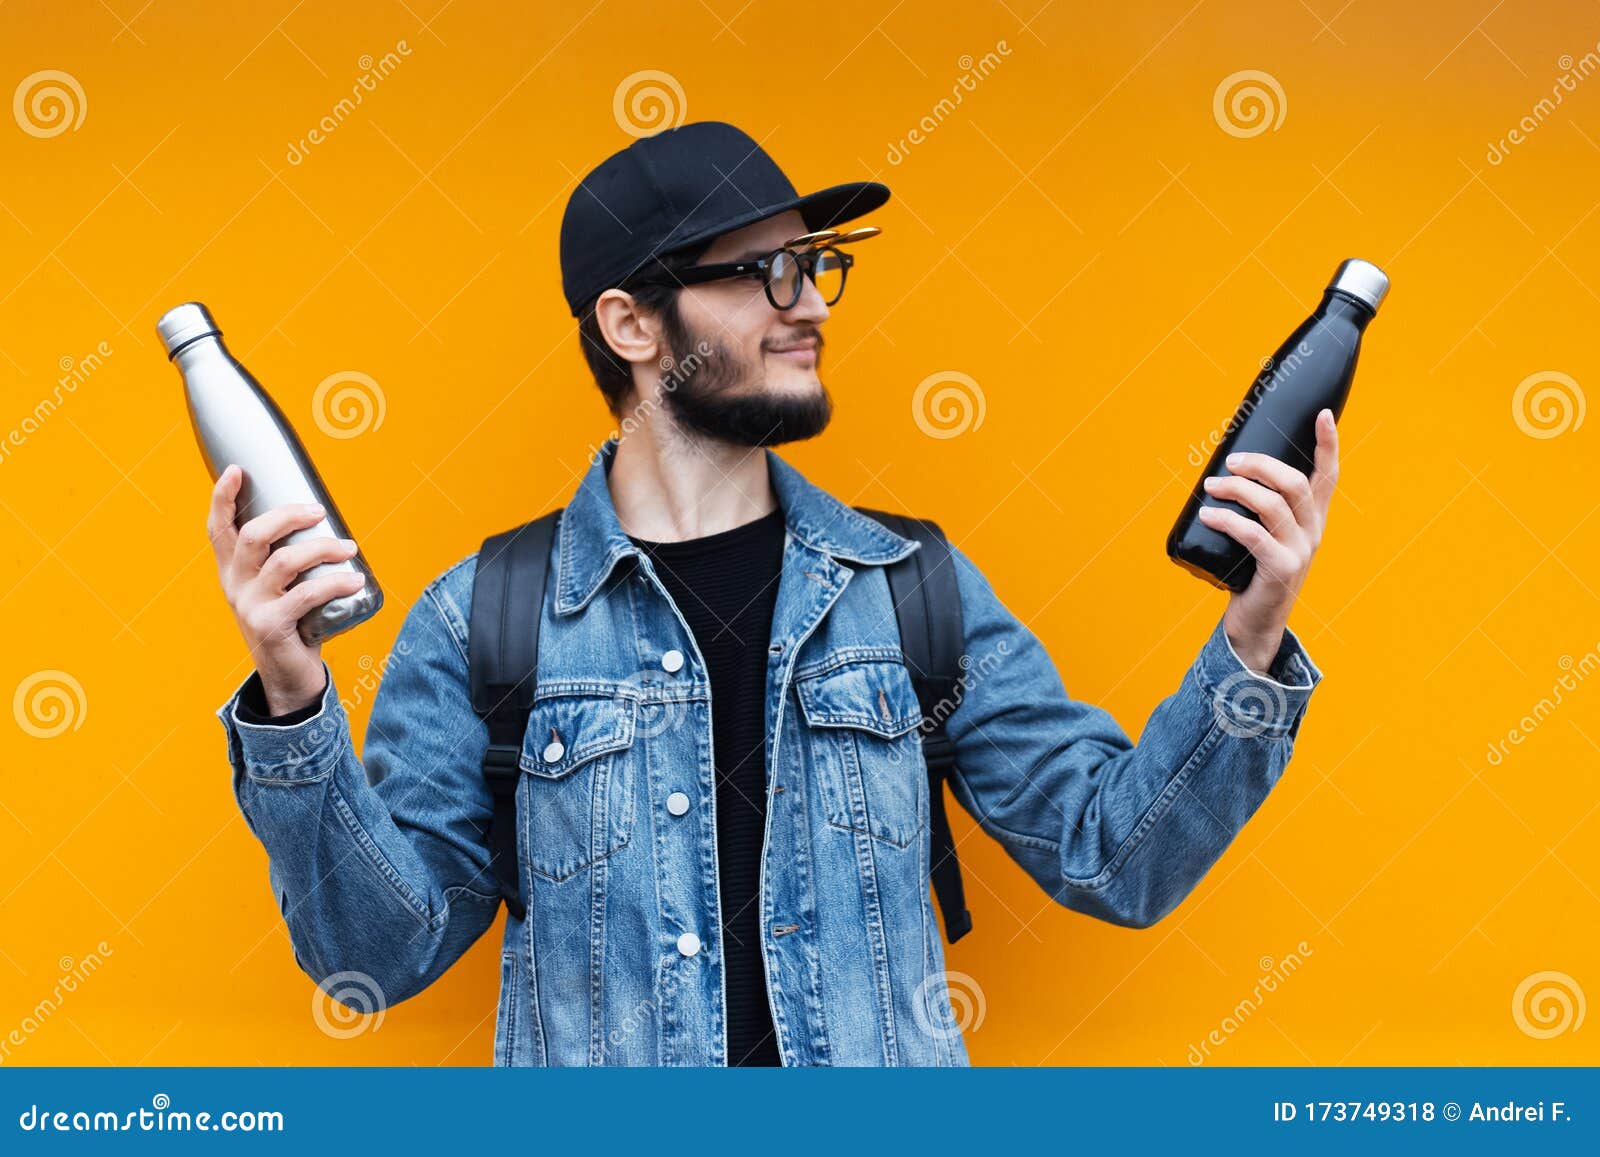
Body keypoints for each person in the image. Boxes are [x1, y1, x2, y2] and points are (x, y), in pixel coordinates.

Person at [208, 121, 1328, 1067]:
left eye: (815, 264)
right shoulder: (483, 617)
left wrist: (1254, 626)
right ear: (633, 324)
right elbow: (380, 951)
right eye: (761, 272)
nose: (809, 307)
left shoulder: (910, 589)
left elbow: (1111, 855)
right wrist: (294, 697)